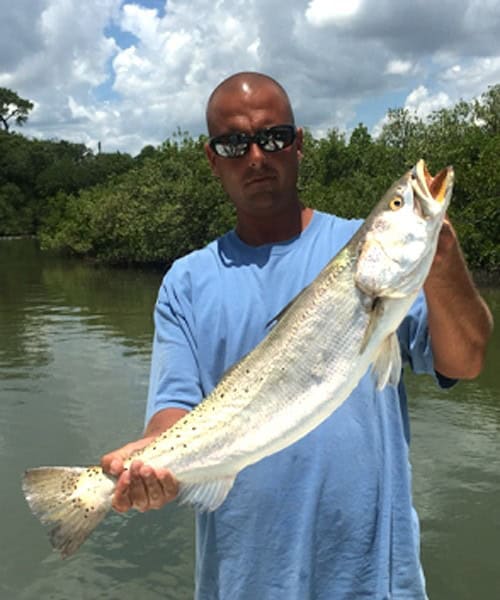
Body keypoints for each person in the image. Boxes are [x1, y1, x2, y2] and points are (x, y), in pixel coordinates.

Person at [101, 72, 493, 599]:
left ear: (299, 144)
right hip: (243, 584)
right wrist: (151, 465)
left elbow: (466, 360)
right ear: (213, 159)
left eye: (275, 137)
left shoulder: (362, 255)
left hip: (376, 584)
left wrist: (440, 260)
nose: (258, 156)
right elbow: (173, 410)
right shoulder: (186, 282)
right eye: (235, 144)